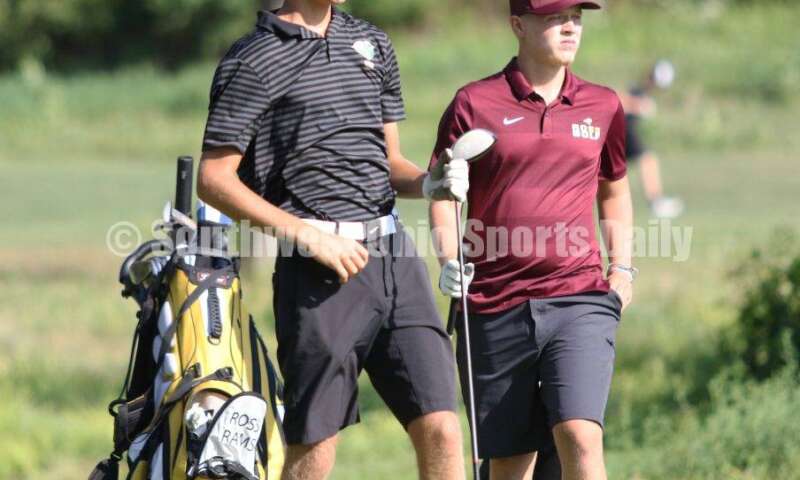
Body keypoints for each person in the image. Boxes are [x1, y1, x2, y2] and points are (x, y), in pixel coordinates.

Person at [196, 1, 469, 479]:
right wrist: (307, 235)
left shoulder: (372, 43)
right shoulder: (252, 58)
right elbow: (214, 178)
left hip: (393, 259)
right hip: (317, 271)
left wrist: (429, 182)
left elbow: (388, 162)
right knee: (316, 445)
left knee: (442, 426)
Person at [429, 1, 636, 479]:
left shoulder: (603, 105)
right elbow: (441, 192)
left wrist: (621, 269)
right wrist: (446, 258)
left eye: (576, 18)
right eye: (554, 18)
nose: (569, 27)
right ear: (518, 25)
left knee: (581, 434)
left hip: (579, 296)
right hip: (493, 302)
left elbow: (615, 188)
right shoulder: (473, 102)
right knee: (511, 459)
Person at [619, 60, 684, 219]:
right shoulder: (636, 90)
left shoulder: (644, 92)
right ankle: (656, 202)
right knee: (648, 160)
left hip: (625, 134)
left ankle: (656, 201)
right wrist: (637, 105)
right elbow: (616, 99)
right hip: (621, 133)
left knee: (646, 161)